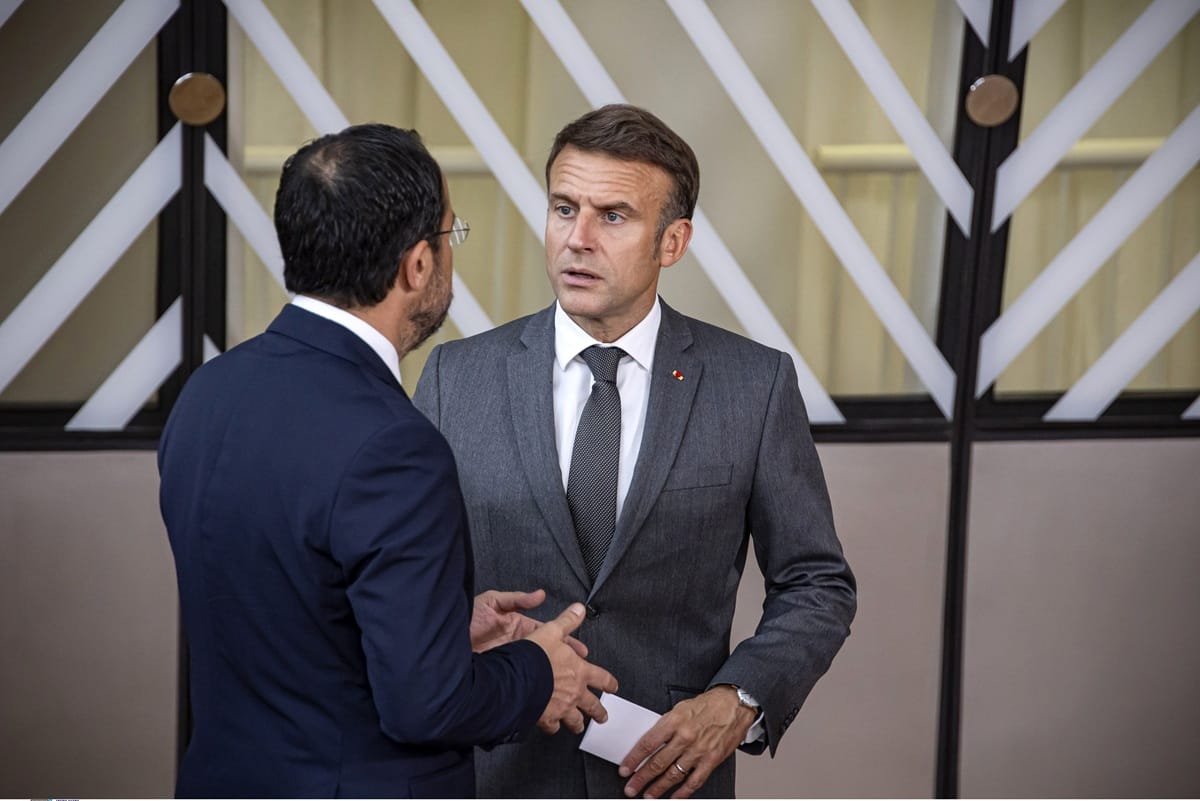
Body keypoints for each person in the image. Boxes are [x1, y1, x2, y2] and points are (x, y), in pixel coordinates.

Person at [158, 123, 616, 798]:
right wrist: (539, 671)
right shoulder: (396, 446)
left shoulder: (207, 394)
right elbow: (427, 706)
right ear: (417, 265)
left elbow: (282, 614)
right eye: (450, 234)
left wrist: (437, 626)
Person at [413, 104, 856, 799]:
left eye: (612, 216)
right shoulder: (455, 377)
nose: (577, 239)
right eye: (564, 208)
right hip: (498, 767)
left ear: (672, 241)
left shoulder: (753, 384)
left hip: (668, 776)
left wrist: (738, 701)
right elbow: (407, 577)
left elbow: (817, 582)